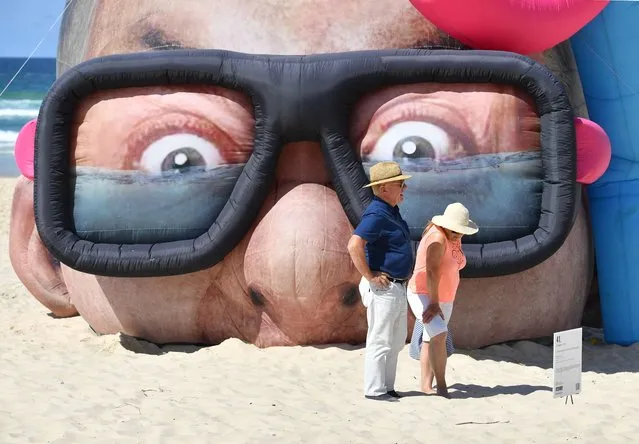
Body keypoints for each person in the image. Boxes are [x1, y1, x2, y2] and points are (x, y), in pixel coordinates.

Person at [347, 161, 414, 402]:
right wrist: (370, 276)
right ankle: (375, 390)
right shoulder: (377, 213)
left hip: (396, 286)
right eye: (400, 184)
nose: (404, 187)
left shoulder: (389, 210)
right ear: (384, 187)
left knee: (395, 341)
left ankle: (386, 387)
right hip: (383, 287)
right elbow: (354, 245)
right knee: (381, 339)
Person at [406, 202, 478, 398]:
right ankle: (442, 385)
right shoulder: (438, 237)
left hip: (445, 295)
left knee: (431, 339)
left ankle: (426, 386)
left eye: (461, 231)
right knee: (439, 335)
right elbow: (431, 271)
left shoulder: (452, 235)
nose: (458, 234)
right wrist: (434, 303)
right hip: (424, 293)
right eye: (455, 230)